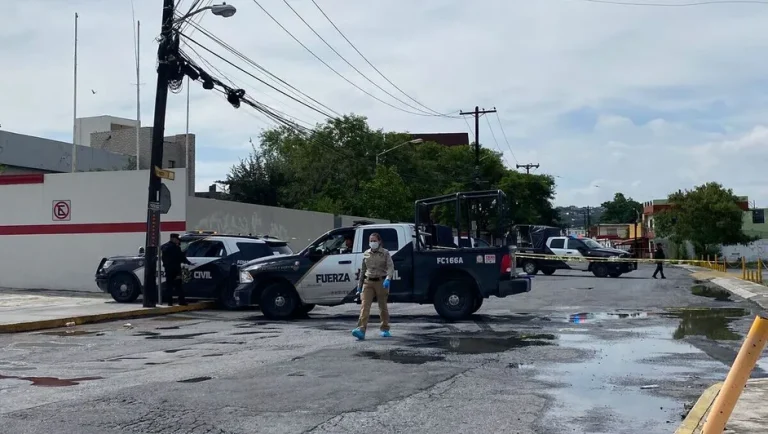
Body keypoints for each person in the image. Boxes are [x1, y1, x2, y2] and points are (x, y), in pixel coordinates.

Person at [352, 233, 394, 340]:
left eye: (374, 240)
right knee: (364, 306)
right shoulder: (366, 254)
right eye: (371, 240)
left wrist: (388, 279)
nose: (372, 242)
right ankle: (361, 330)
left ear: (379, 241)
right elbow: (363, 271)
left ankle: (385, 329)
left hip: (381, 282)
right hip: (368, 282)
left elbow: (390, 267)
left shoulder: (385, 253)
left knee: (382, 306)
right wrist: (359, 286)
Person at [161, 233, 192, 305]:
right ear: (173, 239)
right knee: (179, 286)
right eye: (178, 240)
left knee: (169, 286)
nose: (179, 241)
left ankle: (170, 302)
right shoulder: (176, 248)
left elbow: (163, 257)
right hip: (176, 270)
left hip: (168, 269)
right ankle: (181, 301)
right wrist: (189, 263)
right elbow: (181, 257)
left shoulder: (165, 247)